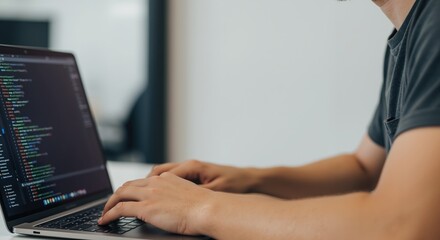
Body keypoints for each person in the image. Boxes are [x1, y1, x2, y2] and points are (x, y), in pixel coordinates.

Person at [99, 0, 440, 238]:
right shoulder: (410, 34)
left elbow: (398, 226)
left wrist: (198, 209)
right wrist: (246, 179)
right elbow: (365, 168)